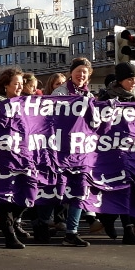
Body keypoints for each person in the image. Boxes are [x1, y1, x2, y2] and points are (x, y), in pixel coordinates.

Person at [96, 63, 135, 245]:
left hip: (131, 150)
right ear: (120, 80)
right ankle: (114, 222)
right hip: (110, 150)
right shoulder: (106, 97)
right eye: (130, 79)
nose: (133, 82)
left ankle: (121, 225)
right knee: (117, 189)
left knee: (129, 189)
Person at [44, 57, 93, 247]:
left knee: (80, 189)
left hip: (81, 150)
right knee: (55, 189)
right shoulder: (60, 92)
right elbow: (49, 118)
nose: (81, 75)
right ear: (71, 73)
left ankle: (71, 232)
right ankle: (42, 222)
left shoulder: (90, 96)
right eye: (79, 71)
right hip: (60, 149)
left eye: (85, 72)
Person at [0, 67, 32, 249]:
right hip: (2, 157)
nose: (20, 87)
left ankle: (12, 222)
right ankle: (9, 232)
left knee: (31, 190)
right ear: (6, 85)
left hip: (22, 155)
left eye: (22, 84)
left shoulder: (24, 103)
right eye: (16, 84)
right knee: (5, 196)